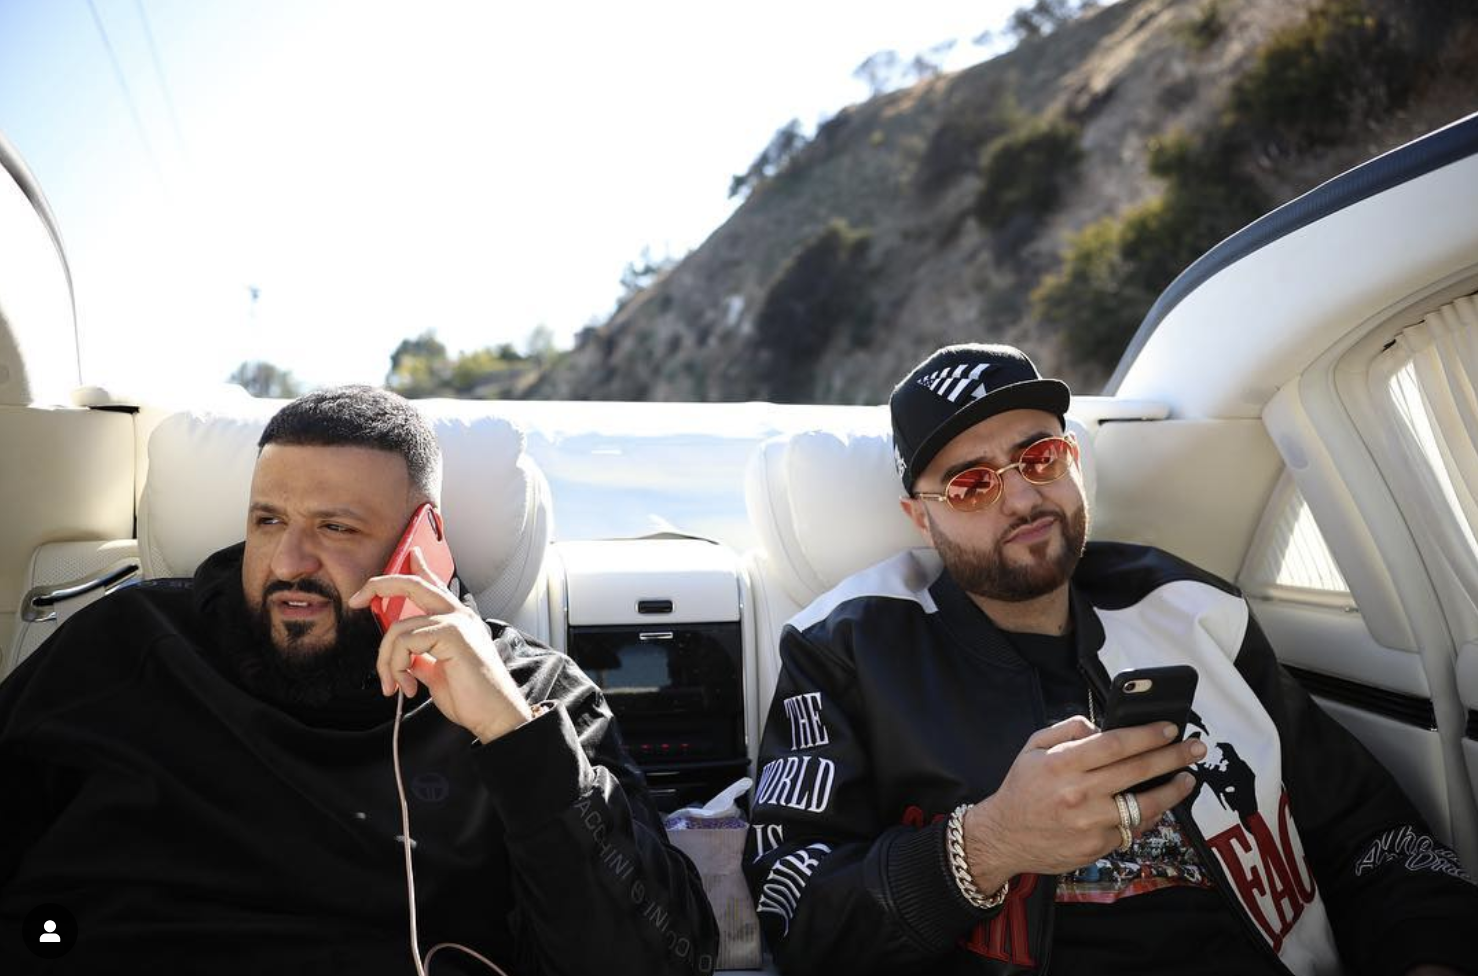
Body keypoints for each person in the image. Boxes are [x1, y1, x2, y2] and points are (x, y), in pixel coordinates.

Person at [742, 343, 1478, 975]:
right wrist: (989, 843)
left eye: (1040, 456)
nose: (1022, 498)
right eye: (971, 484)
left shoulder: (1192, 610)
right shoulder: (846, 652)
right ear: (921, 519)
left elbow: (1372, 835)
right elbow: (793, 909)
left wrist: (1430, 954)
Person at [0, 386, 718, 975]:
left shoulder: (526, 694)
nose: (288, 561)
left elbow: (660, 960)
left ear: (421, 541)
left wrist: (511, 735)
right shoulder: (130, 643)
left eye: (335, 528)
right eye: (268, 520)